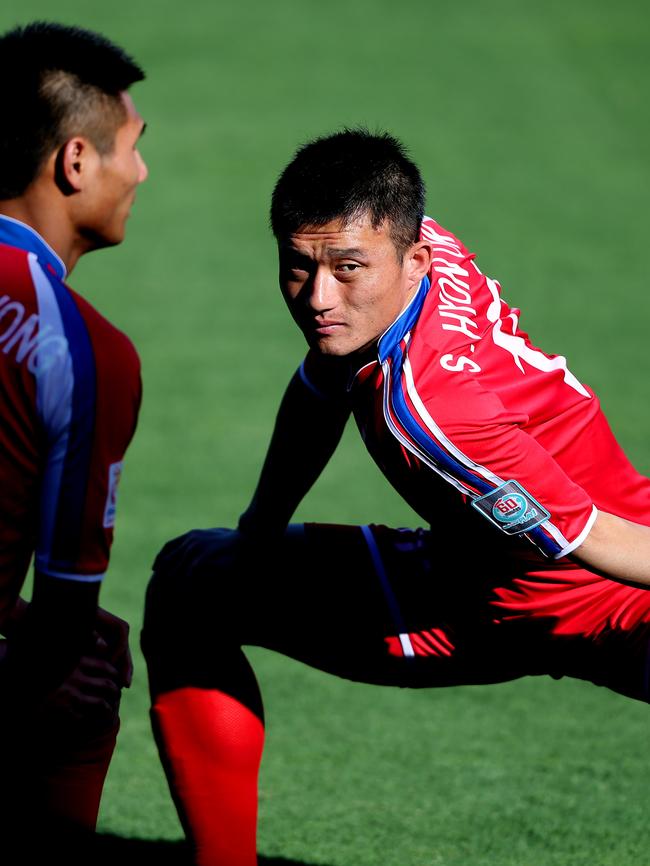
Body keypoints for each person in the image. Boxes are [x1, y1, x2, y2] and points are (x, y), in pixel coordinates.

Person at [143, 130, 650, 866]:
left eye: (348, 269)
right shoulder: (417, 245)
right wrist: (260, 532)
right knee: (196, 583)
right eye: (298, 268)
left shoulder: (431, 410)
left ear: (412, 259)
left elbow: (595, 540)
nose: (319, 298)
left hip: (600, 597)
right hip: (474, 579)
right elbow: (321, 383)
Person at [0, 20, 147, 854]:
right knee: (83, 676)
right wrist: (44, 634)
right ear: (77, 161)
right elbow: (63, 610)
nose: (142, 173)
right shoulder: (84, 351)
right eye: (132, 147)